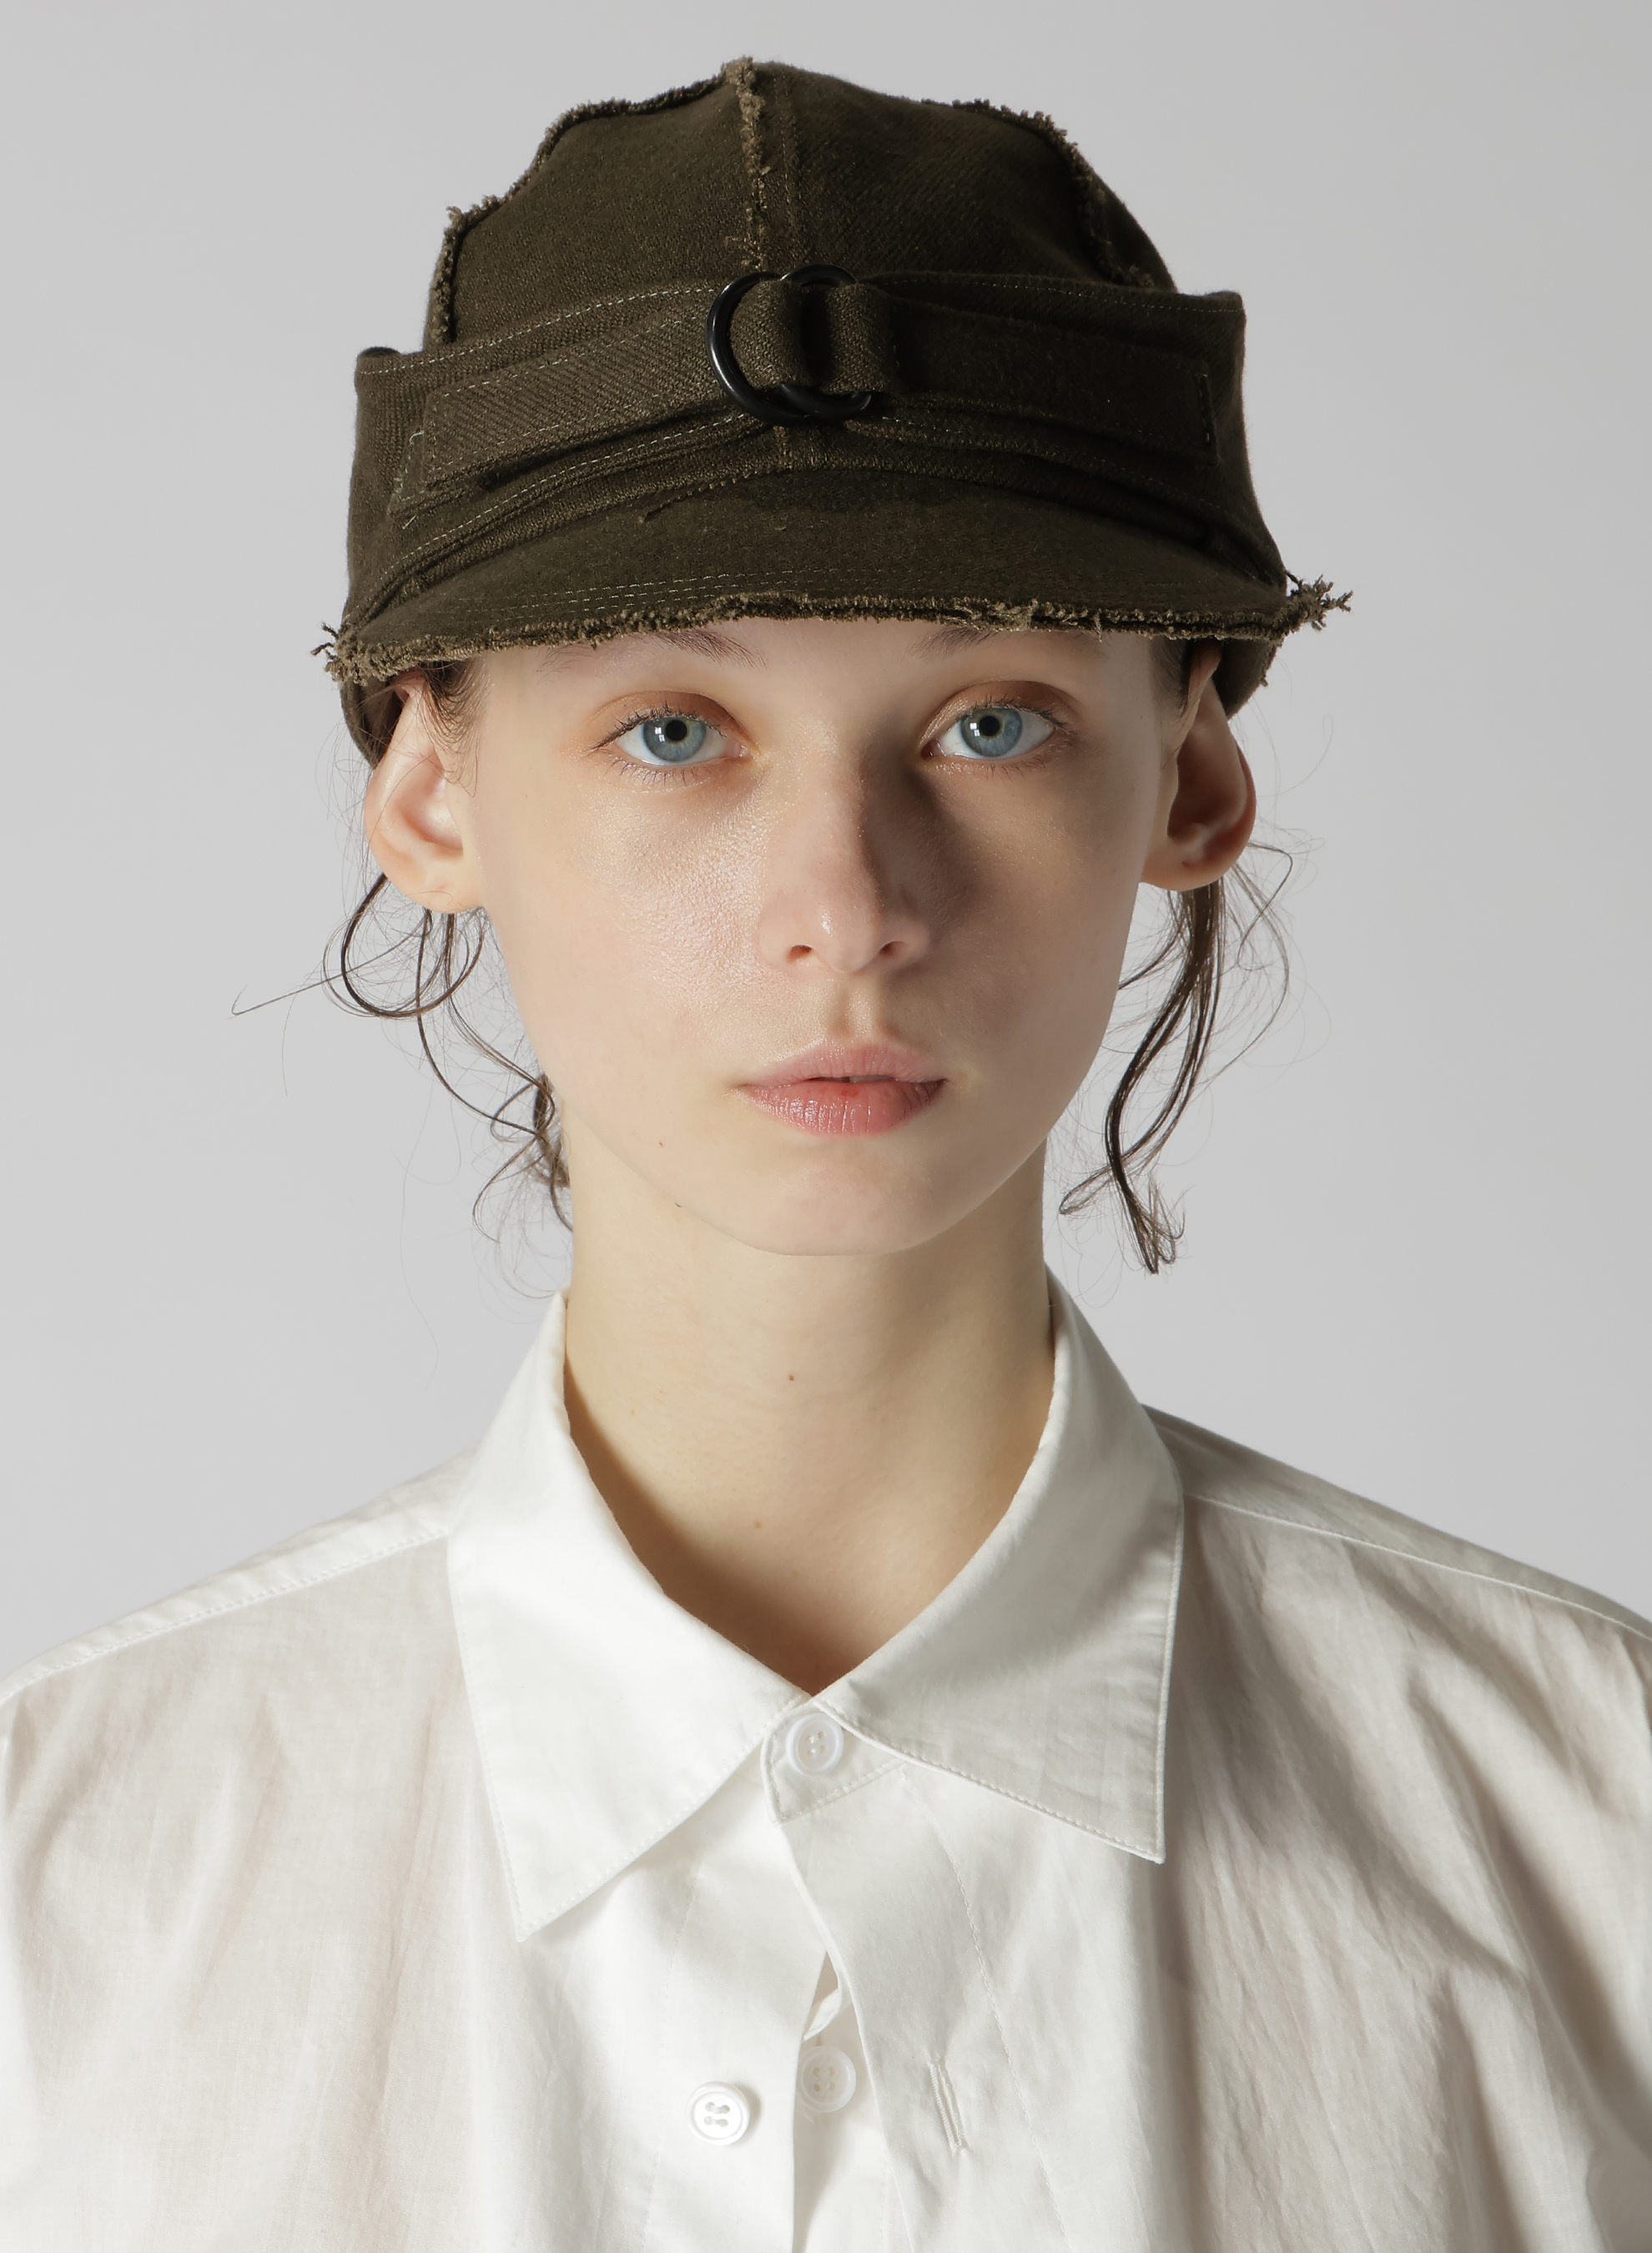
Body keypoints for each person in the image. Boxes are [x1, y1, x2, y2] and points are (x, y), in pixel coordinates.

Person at [2, 57, 1647, 2252]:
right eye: (674, 729)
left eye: (989, 720)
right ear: (431, 791)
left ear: (1186, 779)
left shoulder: (1595, 1836)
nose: (847, 904)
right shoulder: (64, 1901)